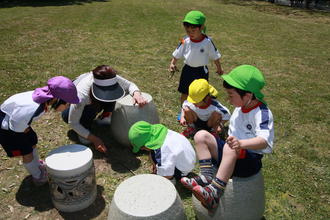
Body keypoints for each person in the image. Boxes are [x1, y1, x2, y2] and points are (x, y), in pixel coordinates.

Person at [180, 65, 275, 210]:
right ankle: (206, 176)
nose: (228, 100)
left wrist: (240, 143)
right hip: (230, 153)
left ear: (248, 96)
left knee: (230, 147)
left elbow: (264, 141)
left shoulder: (261, 113)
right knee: (200, 136)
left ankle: (214, 193)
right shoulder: (239, 109)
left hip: (248, 162)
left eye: (231, 95)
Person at [0, 76, 80, 186]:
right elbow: (16, 126)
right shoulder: (33, 108)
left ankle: (37, 165)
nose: (68, 107)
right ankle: (38, 176)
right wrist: (23, 129)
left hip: (17, 122)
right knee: (26, 151)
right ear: (57, 99)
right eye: (68, 104)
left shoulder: (43, 98)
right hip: (8, 128)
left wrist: (25, 128)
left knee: (32, 140)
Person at [62, 65, 147, 154]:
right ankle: (84, 127)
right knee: (88, 113)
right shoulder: (82, 94)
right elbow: (73, 122)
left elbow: (130, 85)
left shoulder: (110, 77)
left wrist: (136, 94)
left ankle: (105, 116)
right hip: (71, 111)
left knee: (117, 95)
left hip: (92, 101)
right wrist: (94, 139)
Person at [169, 10, 224, 109]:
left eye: (193, 31)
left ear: (201, 27)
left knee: (201, 94)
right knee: (185, 92)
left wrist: (219, 68)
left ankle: (198, 112)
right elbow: (177, 52)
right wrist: (173, 63)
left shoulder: (207, 42)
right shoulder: (184, 40)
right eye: (188, 31)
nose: (190, 33)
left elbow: (215, 56)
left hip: (201, 72)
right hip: (187, 70)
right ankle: (184, 111)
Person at [128, 121, 196, 181]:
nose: (142, 150)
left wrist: (159, 176)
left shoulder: (162, 151)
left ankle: (172, 181)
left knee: (157, 161)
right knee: (152, 154)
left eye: (142, 148)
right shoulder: (163, 133)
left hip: (183, 170)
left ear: (146, 145)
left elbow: (167, 175)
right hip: (189, 157)